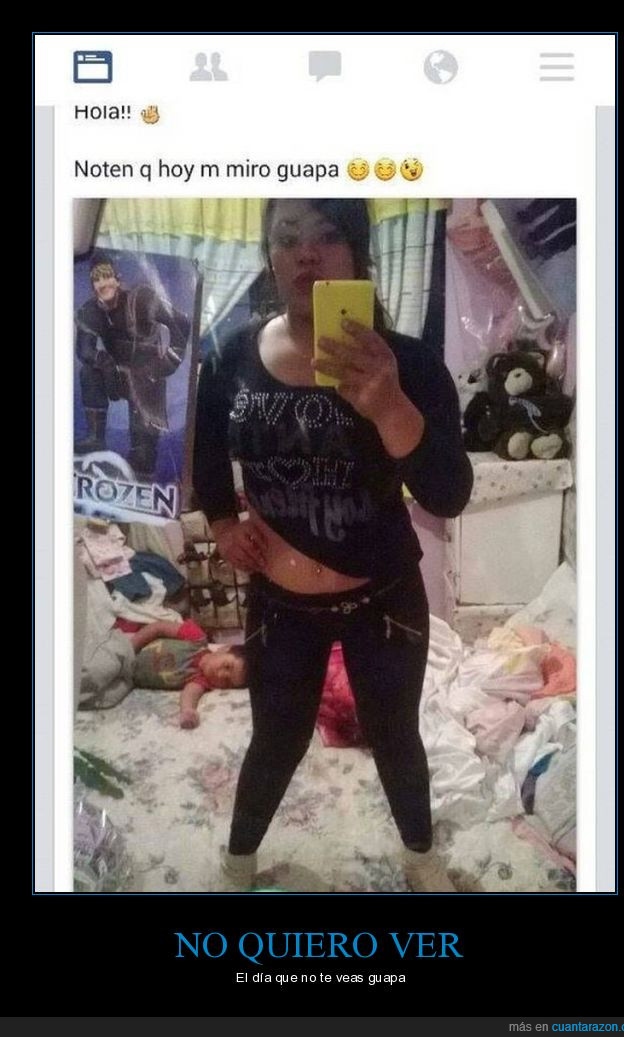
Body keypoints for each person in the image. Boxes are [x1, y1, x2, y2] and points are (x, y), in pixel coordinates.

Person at [193, 198, 473, 892]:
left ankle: (421, 859)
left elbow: (448, 494)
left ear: (358, 253)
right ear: (269, 254)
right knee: (276, 739)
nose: (306, 253)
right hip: (281, 603)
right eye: (287, 237)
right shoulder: (230, 357)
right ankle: (237, 864)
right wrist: (224, 525)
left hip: (385, 596)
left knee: (394, 734)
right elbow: (206, 461)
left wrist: (389, 405)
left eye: (327, 235)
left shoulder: (407, 363)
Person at [74, 258, 191, 480]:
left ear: (117, 279)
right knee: (88, 372)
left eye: (107, 276)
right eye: (97, 279)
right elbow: (84, 350)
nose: (103, 283)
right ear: (92, 285)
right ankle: (95, 438)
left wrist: (168, 363)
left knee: (144, 459)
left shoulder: (142, 299)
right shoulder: (90, 311)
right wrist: (105, 363)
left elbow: (181, 323)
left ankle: (141, 473)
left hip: (147, 379)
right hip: (116, 376)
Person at [126, 618, 247, 728]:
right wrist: (129, 648)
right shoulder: (196, 638)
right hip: (129, 649)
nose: (220, 675)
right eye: (227, 666)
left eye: (226, 682)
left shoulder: (200, 680)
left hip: (128, 679)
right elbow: (158, 628)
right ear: (224, 648)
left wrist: (188, 712)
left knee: (115, 694)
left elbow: (190, 694)